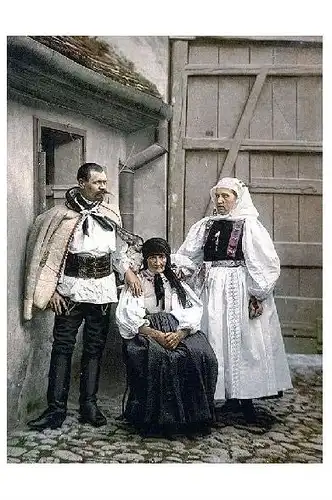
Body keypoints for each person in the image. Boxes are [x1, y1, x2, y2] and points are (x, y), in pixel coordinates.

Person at [24, 162, 143, 430]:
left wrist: (127, 272)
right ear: (81, 182)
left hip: (101, 290)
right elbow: (48, 255)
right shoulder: (60, 216)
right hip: (70, 290)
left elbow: (118, 252)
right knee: (62, 348)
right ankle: (55, 410)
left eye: (104, 182)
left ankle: (89, 405)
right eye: (98, 182)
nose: (104, 187)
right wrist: (52, 289)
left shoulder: (110, 213)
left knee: (93, 349)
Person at [176, 177, 292, 423]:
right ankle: (222, 397)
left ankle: (245, 399)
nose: (219, 201)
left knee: (242, 341)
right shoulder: (205, 226)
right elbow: (188, 256)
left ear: (237, 199)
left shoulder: (250, 226)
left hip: (239, 289)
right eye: (217, 196)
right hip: (211, 290)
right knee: (215, 337)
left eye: (225, 196)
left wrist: (257, 292)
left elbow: (265, 262)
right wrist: (178, 272)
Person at [115, 237, 218, 437]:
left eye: (161, 257)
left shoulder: (173, 280)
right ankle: (162, 421)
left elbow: (192, 307)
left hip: (176, 327)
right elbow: (127, 315)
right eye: (152, 257)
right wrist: (155, 334)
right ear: (145, 259)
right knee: (163, 359)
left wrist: (181, 333)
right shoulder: (138, 281)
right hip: (147, 330)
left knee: (202, 354)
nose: (157, 262)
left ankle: (192, 418)